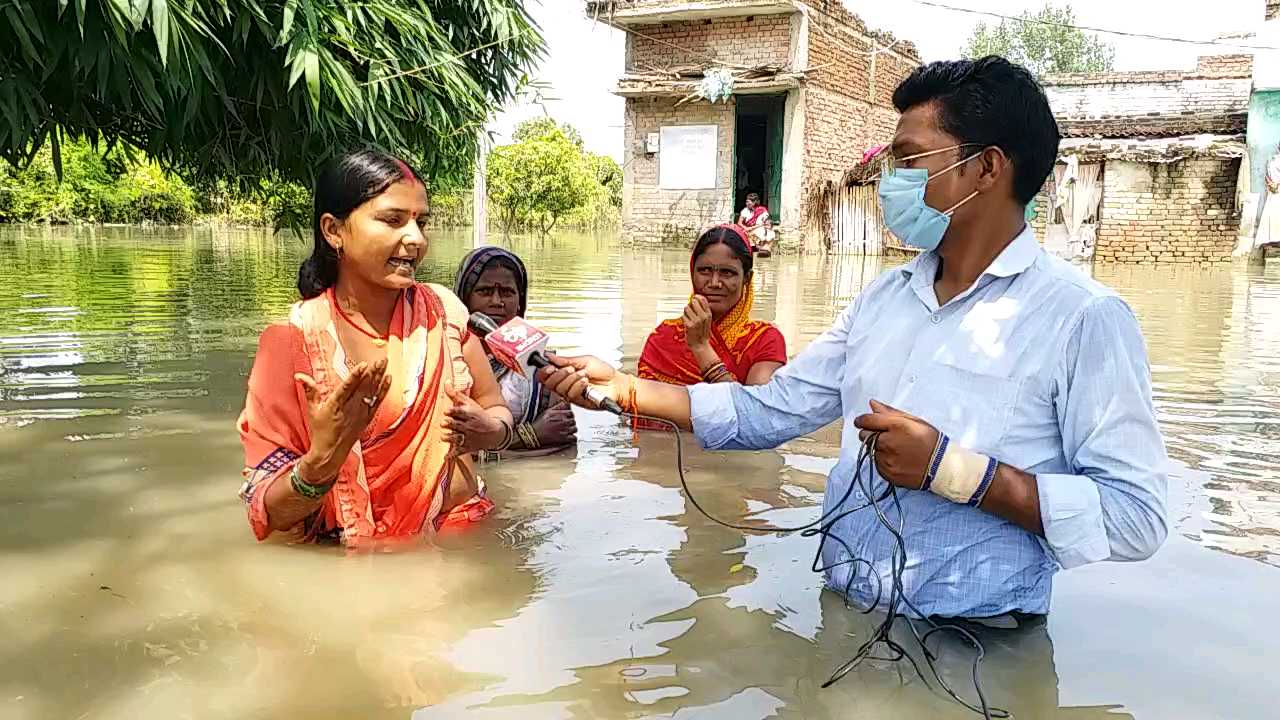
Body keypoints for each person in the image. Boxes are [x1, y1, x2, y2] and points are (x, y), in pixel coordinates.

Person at [541, 57, 1169, 621]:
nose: (888, 180)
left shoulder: (1082, 318)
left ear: (985, 167)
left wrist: (958, 473)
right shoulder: (882, 299)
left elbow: (1136, 518)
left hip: (979, 648)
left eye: (909, 160)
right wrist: (622, 389)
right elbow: (769, 410)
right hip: (842, 617)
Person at [237, 149, 516, 545]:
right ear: (334, 230)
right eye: (392, 220)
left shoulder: (445, 314)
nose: (416, 239)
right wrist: (323, 461)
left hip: (463, 539)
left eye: (422, 222)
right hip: (345, 561)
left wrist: (493, 432)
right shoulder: (290, 342)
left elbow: (497, 408)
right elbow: (269, 515)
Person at [454, 246, 576, 457]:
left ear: (520, 302)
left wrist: (497, 450)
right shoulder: (446, 356)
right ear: (464, 299)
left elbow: (562, 450)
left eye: (507, 292)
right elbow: (442, 450)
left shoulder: (541, 366)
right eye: (484, 291)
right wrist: (528, 437)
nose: (496, 302)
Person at [638, 224, 786, 388]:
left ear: (747, 278)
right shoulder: (663, 337)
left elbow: (754, 411)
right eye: (705, 270)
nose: (714, 283)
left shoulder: (765, 341)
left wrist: (701, 347)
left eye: (727, 272)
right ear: (692, 273)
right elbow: (642, 405)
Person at [1256, 143, 1280, 247]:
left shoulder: (1271, 160)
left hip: (1273, 188)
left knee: (1273, 211)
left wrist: (1270, 184)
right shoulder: (1274, 161)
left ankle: (1274, 237)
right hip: (1276, 189)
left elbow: (1267, 176)